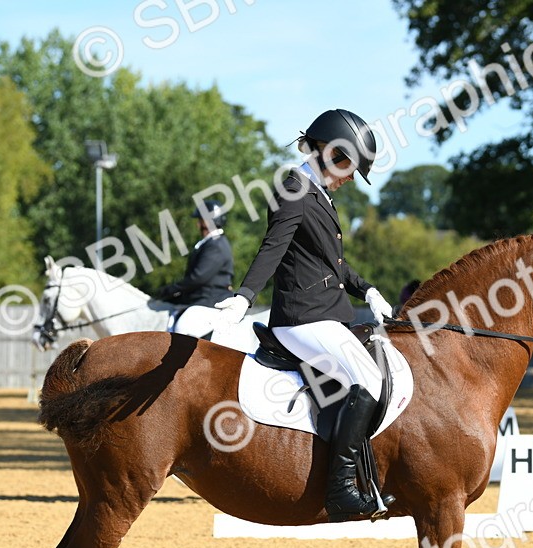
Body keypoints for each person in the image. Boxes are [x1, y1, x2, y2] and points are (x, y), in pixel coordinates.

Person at [214, 108, 394, 523]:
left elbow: (331, 264)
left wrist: (368, 289)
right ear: (330, 151)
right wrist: (244, 296)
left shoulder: (320, 192)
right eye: (349, 165)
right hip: (302, 319)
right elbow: (273, 248)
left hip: (328, 313)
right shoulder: (293, 186)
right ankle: (342, 489)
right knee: (366, 379)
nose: (351, 177)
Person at [158, 199, 235, 337]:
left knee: (183, 327)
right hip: (202, 298)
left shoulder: (216, 245)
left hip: (209, 300)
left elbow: (198, 277)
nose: (197, 223)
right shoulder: (210, 242)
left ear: (206, 222)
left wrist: (173, 289)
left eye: (199, 220)